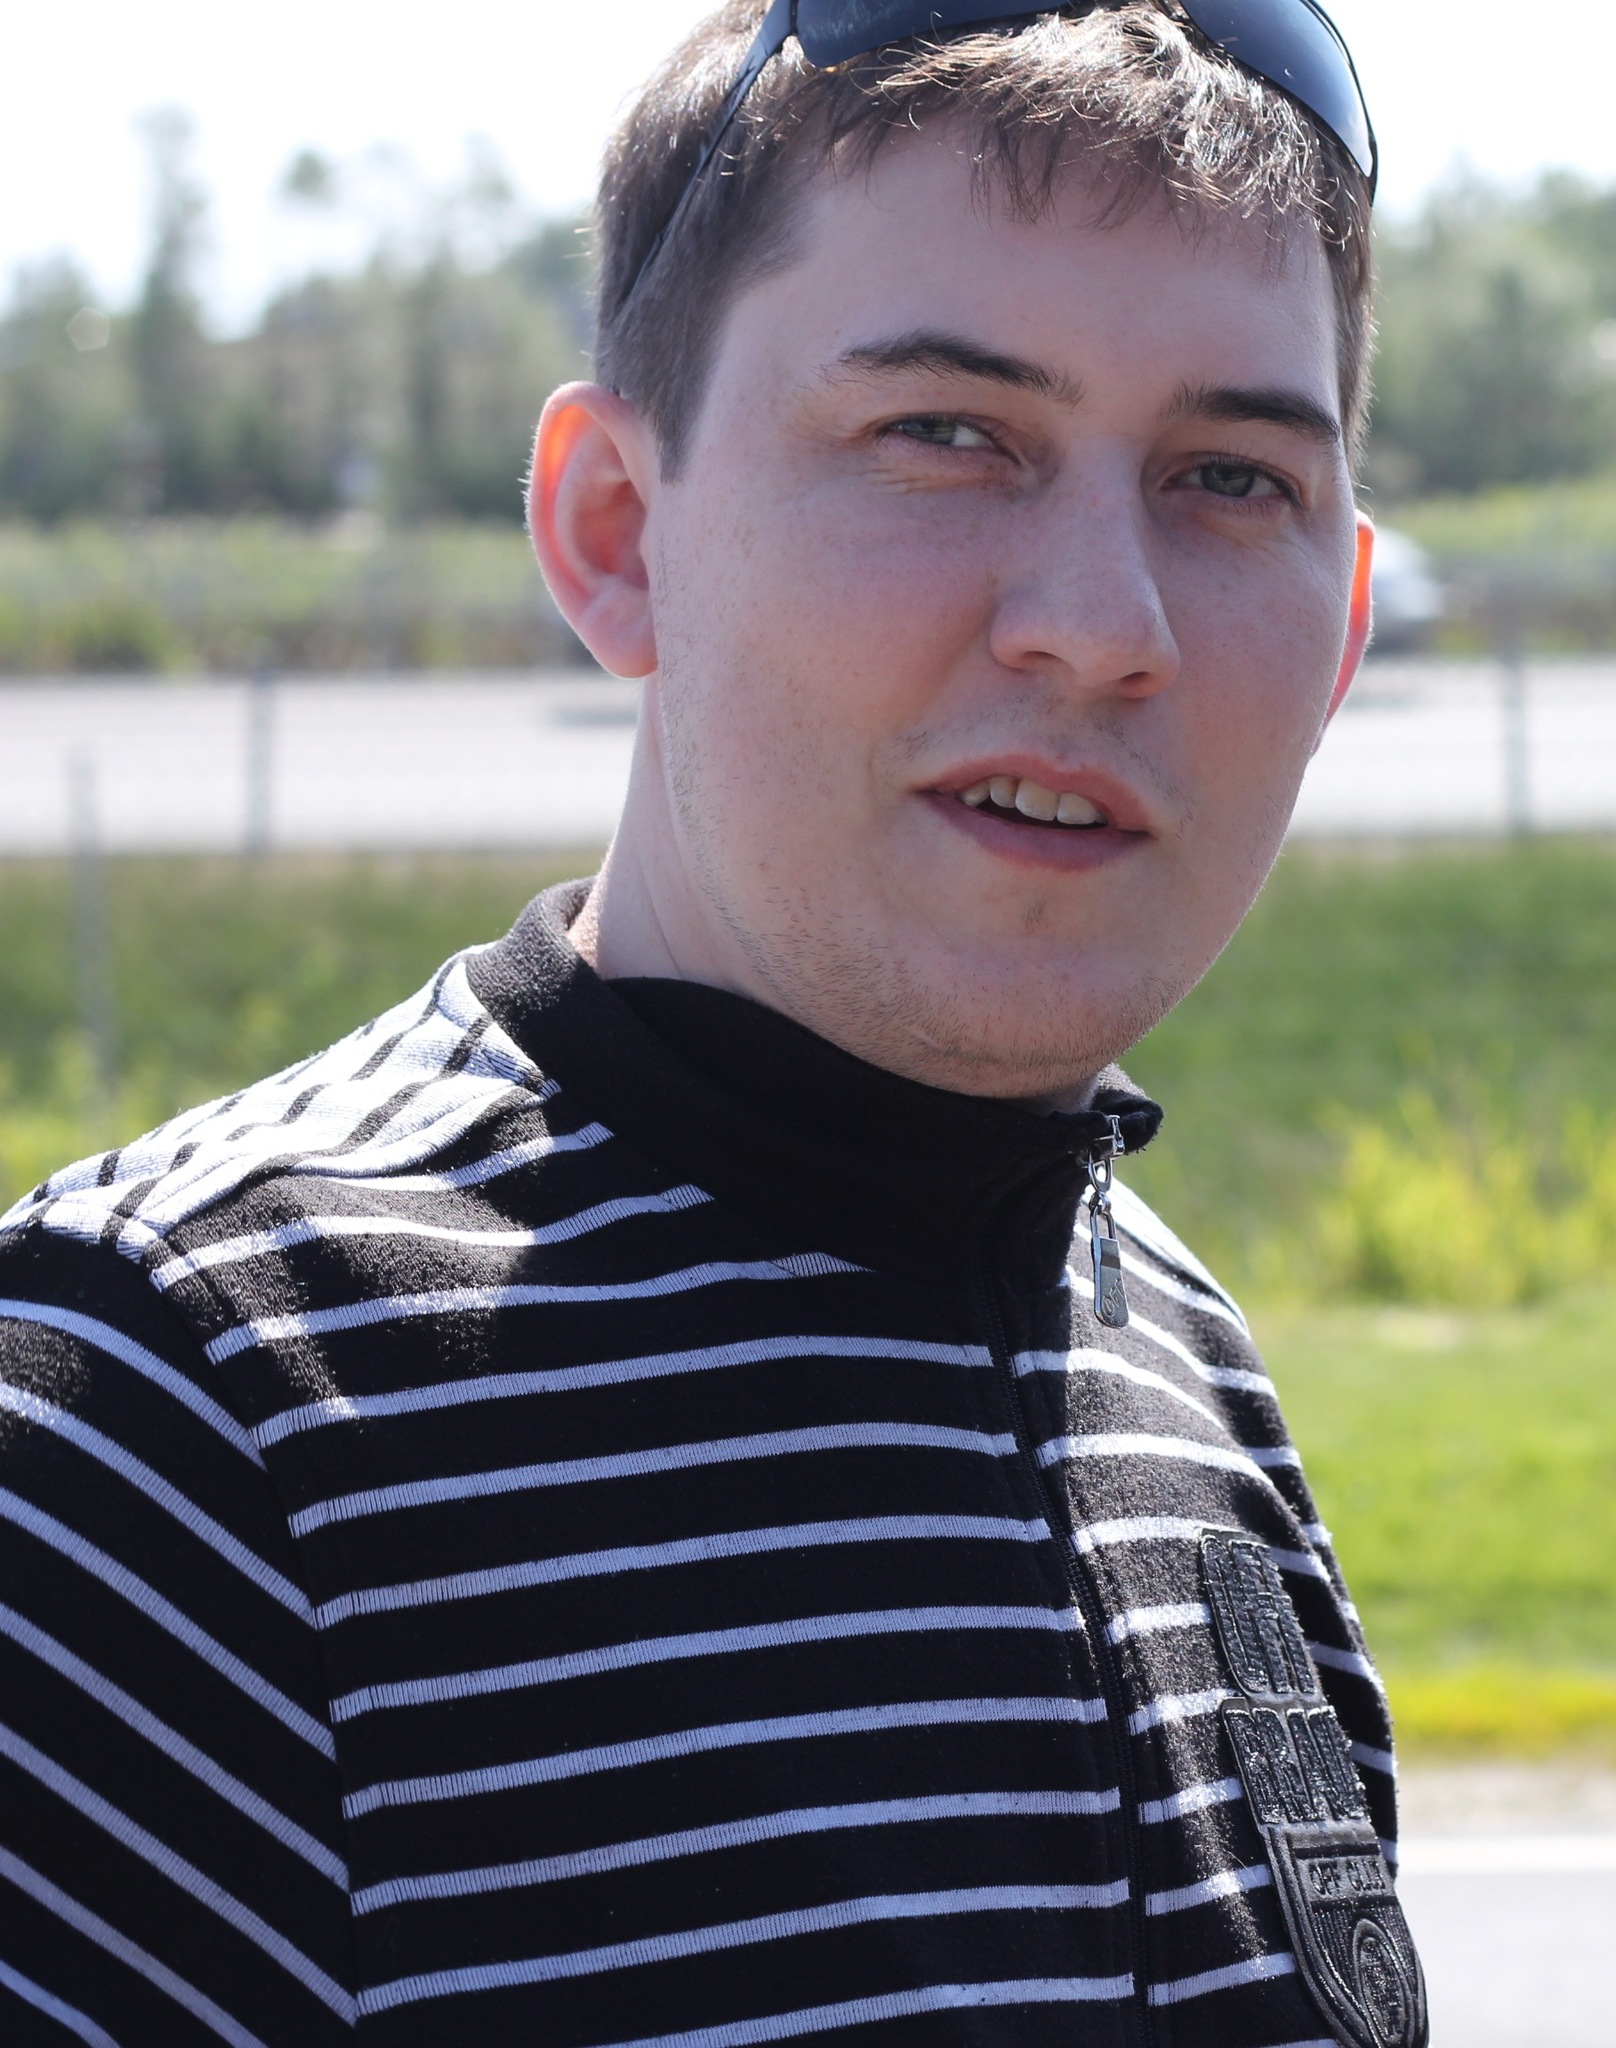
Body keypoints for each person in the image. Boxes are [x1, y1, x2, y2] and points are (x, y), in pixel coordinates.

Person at [0, 4, 1427, 2044]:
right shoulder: (165, 1431)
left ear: (1344, 628)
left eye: (1229, 477)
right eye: (946, 434)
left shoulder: (1181, 1380)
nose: (1104, 625)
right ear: (616, 529)